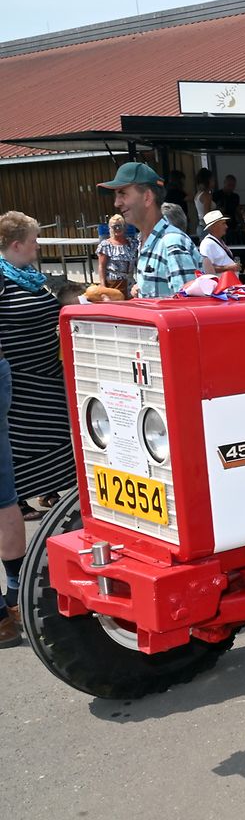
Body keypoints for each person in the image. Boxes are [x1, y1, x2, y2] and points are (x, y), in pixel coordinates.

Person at [0, 211, 76, 644]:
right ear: (16, 244)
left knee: (60, 472)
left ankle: (40, 574)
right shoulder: (2, 281)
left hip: (48, 386)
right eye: (33, 240)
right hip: (20, 393)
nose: (38, 246)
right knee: (12, 490)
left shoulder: (32, 279)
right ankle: (22, 588)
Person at [99, 162, 202, 298]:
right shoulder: (145, 241)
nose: (116, 203)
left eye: (122, 193)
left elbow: (189, 306)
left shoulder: (171, 243)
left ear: (147, 197)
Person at [95, 213, 138, 296]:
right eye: (115, 226)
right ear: (110, 228)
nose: (117, 229)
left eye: (120, 226)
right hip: (113, 284)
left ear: (124, 227)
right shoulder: (106, 245)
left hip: (130, 284)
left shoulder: (133, 244)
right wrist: (103, 286)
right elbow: (101, 267)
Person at [199, 210, 240, 276]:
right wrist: (228, 268)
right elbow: (206, 268)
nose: (226, 226)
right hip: (221, 282)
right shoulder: (207, 244)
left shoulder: (218, 240)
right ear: (214, 226)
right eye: (223, 224)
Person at [212, 174, 245, 244]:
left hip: (232, 225)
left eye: (233, 185)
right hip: (220, 225)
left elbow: (237, 211)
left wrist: (243, 224)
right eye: (229, 185)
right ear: (224, 183)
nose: (231, 187)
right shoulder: (216, 195)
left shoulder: (235, 197)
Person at [194, 168, 216, 235]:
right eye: (212, 180)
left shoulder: (198, 194)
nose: (214, 182)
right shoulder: (206, 195)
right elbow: (207, 214)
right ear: (208, 181)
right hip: (207, 227)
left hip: (201, 226)